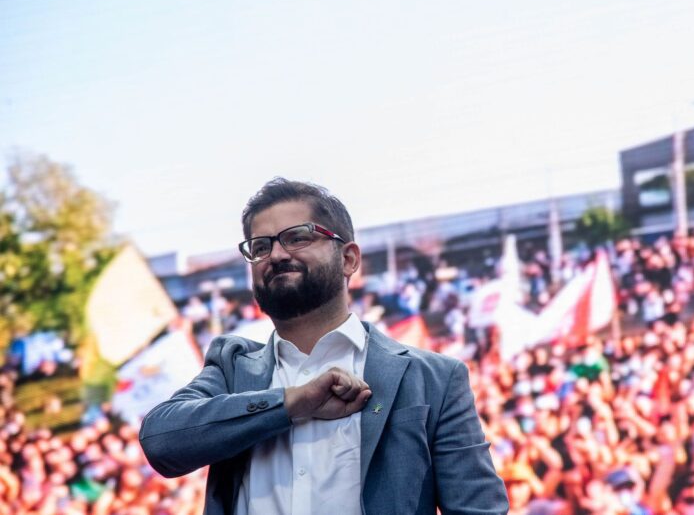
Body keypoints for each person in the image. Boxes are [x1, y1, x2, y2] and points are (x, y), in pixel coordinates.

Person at [140, 178, 508, 515]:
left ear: (349, 259)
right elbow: (161, 441)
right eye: (261, 246)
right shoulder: (233, 368)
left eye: (298, 237)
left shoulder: (433, 379)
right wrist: (292, 402)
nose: (278, 254)